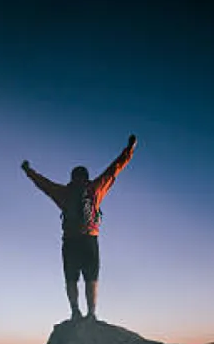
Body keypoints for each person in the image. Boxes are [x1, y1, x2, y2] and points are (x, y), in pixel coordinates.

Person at [22, 134, 137, 320]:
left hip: (70, 242)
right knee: (91, 279)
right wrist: (129, 150)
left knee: (71, 279)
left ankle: (75, 311)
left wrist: (28, 171)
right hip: (90, 240)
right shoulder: (95, 189)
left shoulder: (64, 192)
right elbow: (113, 170)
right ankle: (91, 314)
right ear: (86, 177)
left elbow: (44, 184)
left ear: (72, 178)